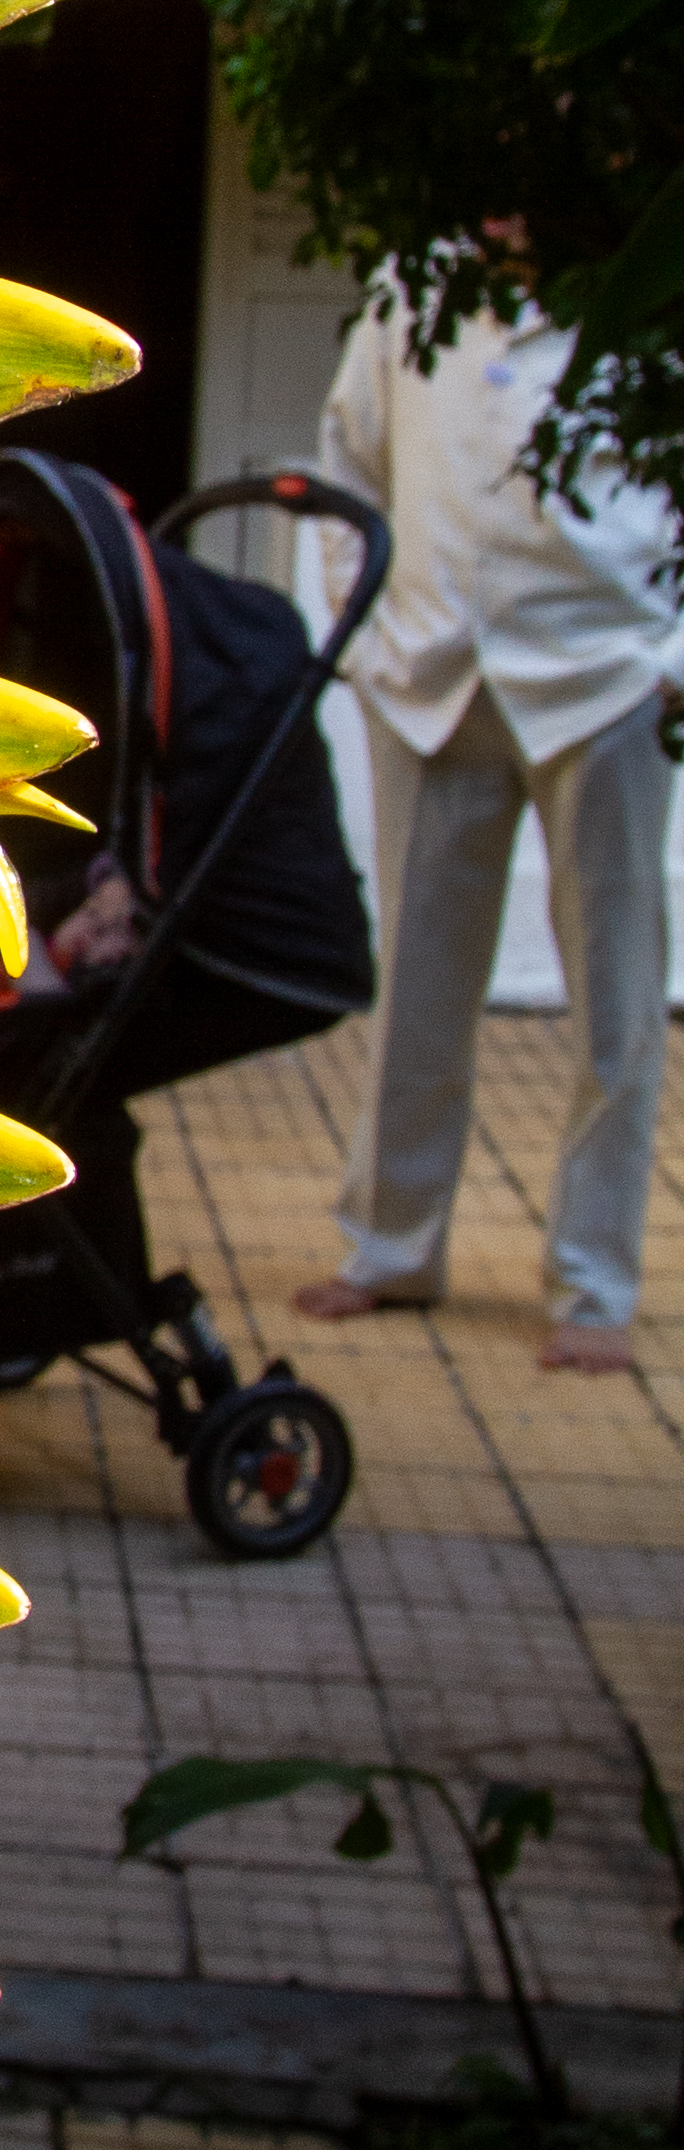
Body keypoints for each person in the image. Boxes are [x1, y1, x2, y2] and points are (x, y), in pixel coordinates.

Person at [301, 295, 679, 1372]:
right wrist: (364, 631)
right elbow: (349, 465)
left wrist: (673, 659)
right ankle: (390, 1248)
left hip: (604, 677)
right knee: (416, 979)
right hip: (429, 677)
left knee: (618, 996)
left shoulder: (641, 276)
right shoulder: (411, 286)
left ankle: (595, 1283)